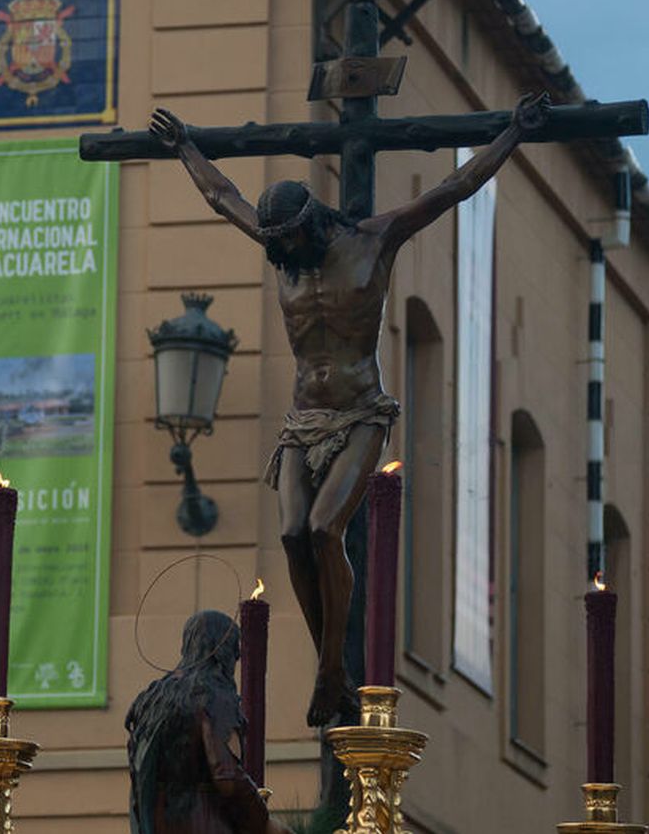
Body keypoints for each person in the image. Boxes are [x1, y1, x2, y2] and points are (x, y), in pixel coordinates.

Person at [149, 92, 550, 726]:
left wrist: (510, 134)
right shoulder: (284, 248)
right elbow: (222, 197)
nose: (283, 255)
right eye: (274, 246)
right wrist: (185, 149)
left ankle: (332, 669)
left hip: (362, 414)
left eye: (290, 242)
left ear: (312, 222)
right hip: (302, 418)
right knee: (288, 534)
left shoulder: (373, 240)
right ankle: (329, 667)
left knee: (322, 530)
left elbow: (453, 188)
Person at [125, 610, 292, 834]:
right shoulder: (213, 694)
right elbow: (227, 775)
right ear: (223, 653)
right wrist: (262, 821)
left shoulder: (152, 698)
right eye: (235, 653)